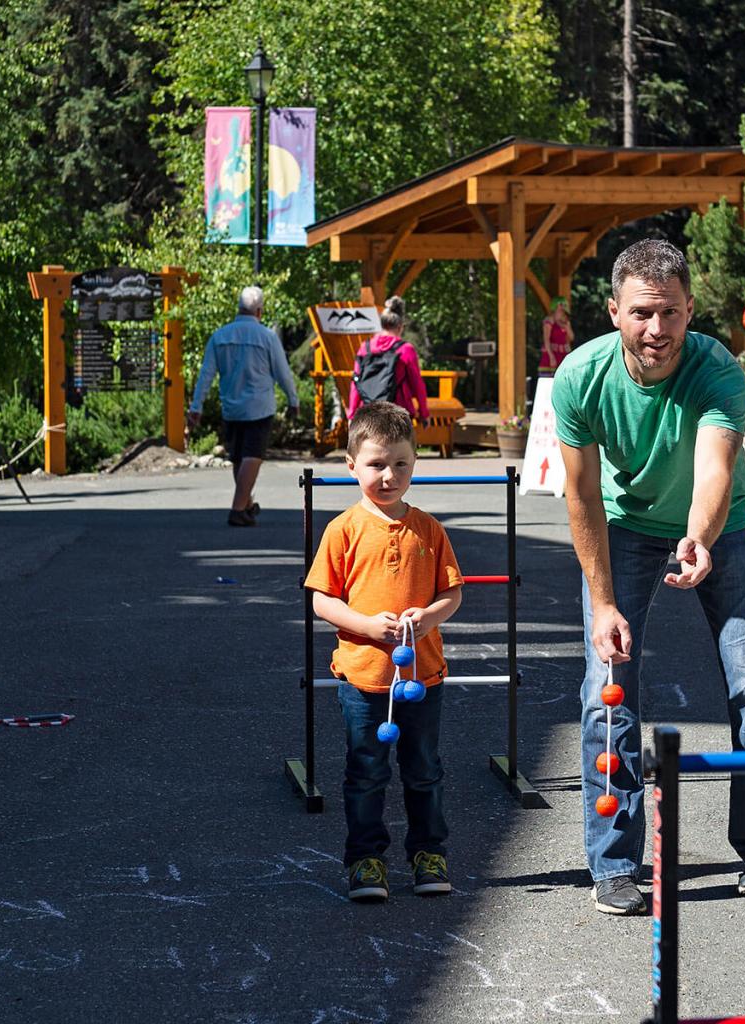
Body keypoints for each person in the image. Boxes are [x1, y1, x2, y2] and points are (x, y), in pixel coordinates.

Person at [552, 239, 745, 917]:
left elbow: (714, 469)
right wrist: (602, 604)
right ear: (614, 312)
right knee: (607, 689)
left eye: (671, 313)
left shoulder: (717, 370)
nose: (657, 329)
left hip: (724, 526)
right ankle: (615, 864)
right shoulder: (581, 378)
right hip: (624, 526)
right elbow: (581, 495)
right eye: (642, 313)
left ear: (690, 309)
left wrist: (699, 537)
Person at [303, 401, 465, 902]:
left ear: (415, 462)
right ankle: (366, 860)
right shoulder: (343, 529)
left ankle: (428, 853)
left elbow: (452, 593)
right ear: (352, 465)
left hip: (423, 677)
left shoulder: (429, 528)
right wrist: (369, 627)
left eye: (400, 464)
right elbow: (322, 600)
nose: (389, 476)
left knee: (424, 771)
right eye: (376, 464)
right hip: (363, 678)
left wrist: (428, 617)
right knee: (366, 772)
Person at [188, 285, 299, 527]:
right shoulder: (267, 337)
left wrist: (196, 407)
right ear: (259, 311)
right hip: (259, 406)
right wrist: (293, 400)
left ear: (238, 308)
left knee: (239, 457)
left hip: (231, 407)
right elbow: (283, 373)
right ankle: (238, 510)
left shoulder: (220, 336)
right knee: (253, 456)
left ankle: (247, 504)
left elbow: (206, 375)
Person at [347, 296, 429, 421]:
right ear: (400, 326)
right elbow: (417, 383)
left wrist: (352, 414)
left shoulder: (365, 347)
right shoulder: (405, 349)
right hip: (398, 413)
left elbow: (356, 382)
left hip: (369, 412)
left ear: (382, 325)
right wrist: (424, 413)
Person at [539, 297, 574, 375]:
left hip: (563, 355)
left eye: (564, 305)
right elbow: (546, 340)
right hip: (551, 355)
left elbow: (571, 338)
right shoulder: (548, 321)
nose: (562, 308)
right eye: (560, 305)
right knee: (548, 380)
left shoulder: (565, 321)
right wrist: (551, 357)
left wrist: (566, 326)